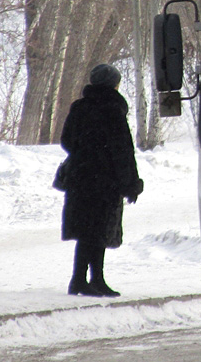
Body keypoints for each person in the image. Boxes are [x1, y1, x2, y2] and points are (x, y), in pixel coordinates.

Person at [58, 63, 143, 297]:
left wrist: (85, 152)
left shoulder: (80, 108)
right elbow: (123, 152)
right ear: (113, 84)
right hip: (105, 180)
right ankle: (95, 280)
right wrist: (131, 184)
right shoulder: (113, 110)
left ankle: (80, 280)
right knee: (99, 231)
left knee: (86, 230)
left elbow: (66, 141)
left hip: (80, 178)